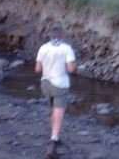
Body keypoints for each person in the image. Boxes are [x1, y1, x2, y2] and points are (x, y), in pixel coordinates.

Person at [35, 23, 76, 158]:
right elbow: (70, 69)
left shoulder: (43, 48)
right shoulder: (67, 48)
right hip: (60, 85)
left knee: (54, 110)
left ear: (49, 35)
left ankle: (55, 136)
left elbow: (37, 69)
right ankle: (53, 144)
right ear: (62, 35)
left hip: (46, 84)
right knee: (59, 114)